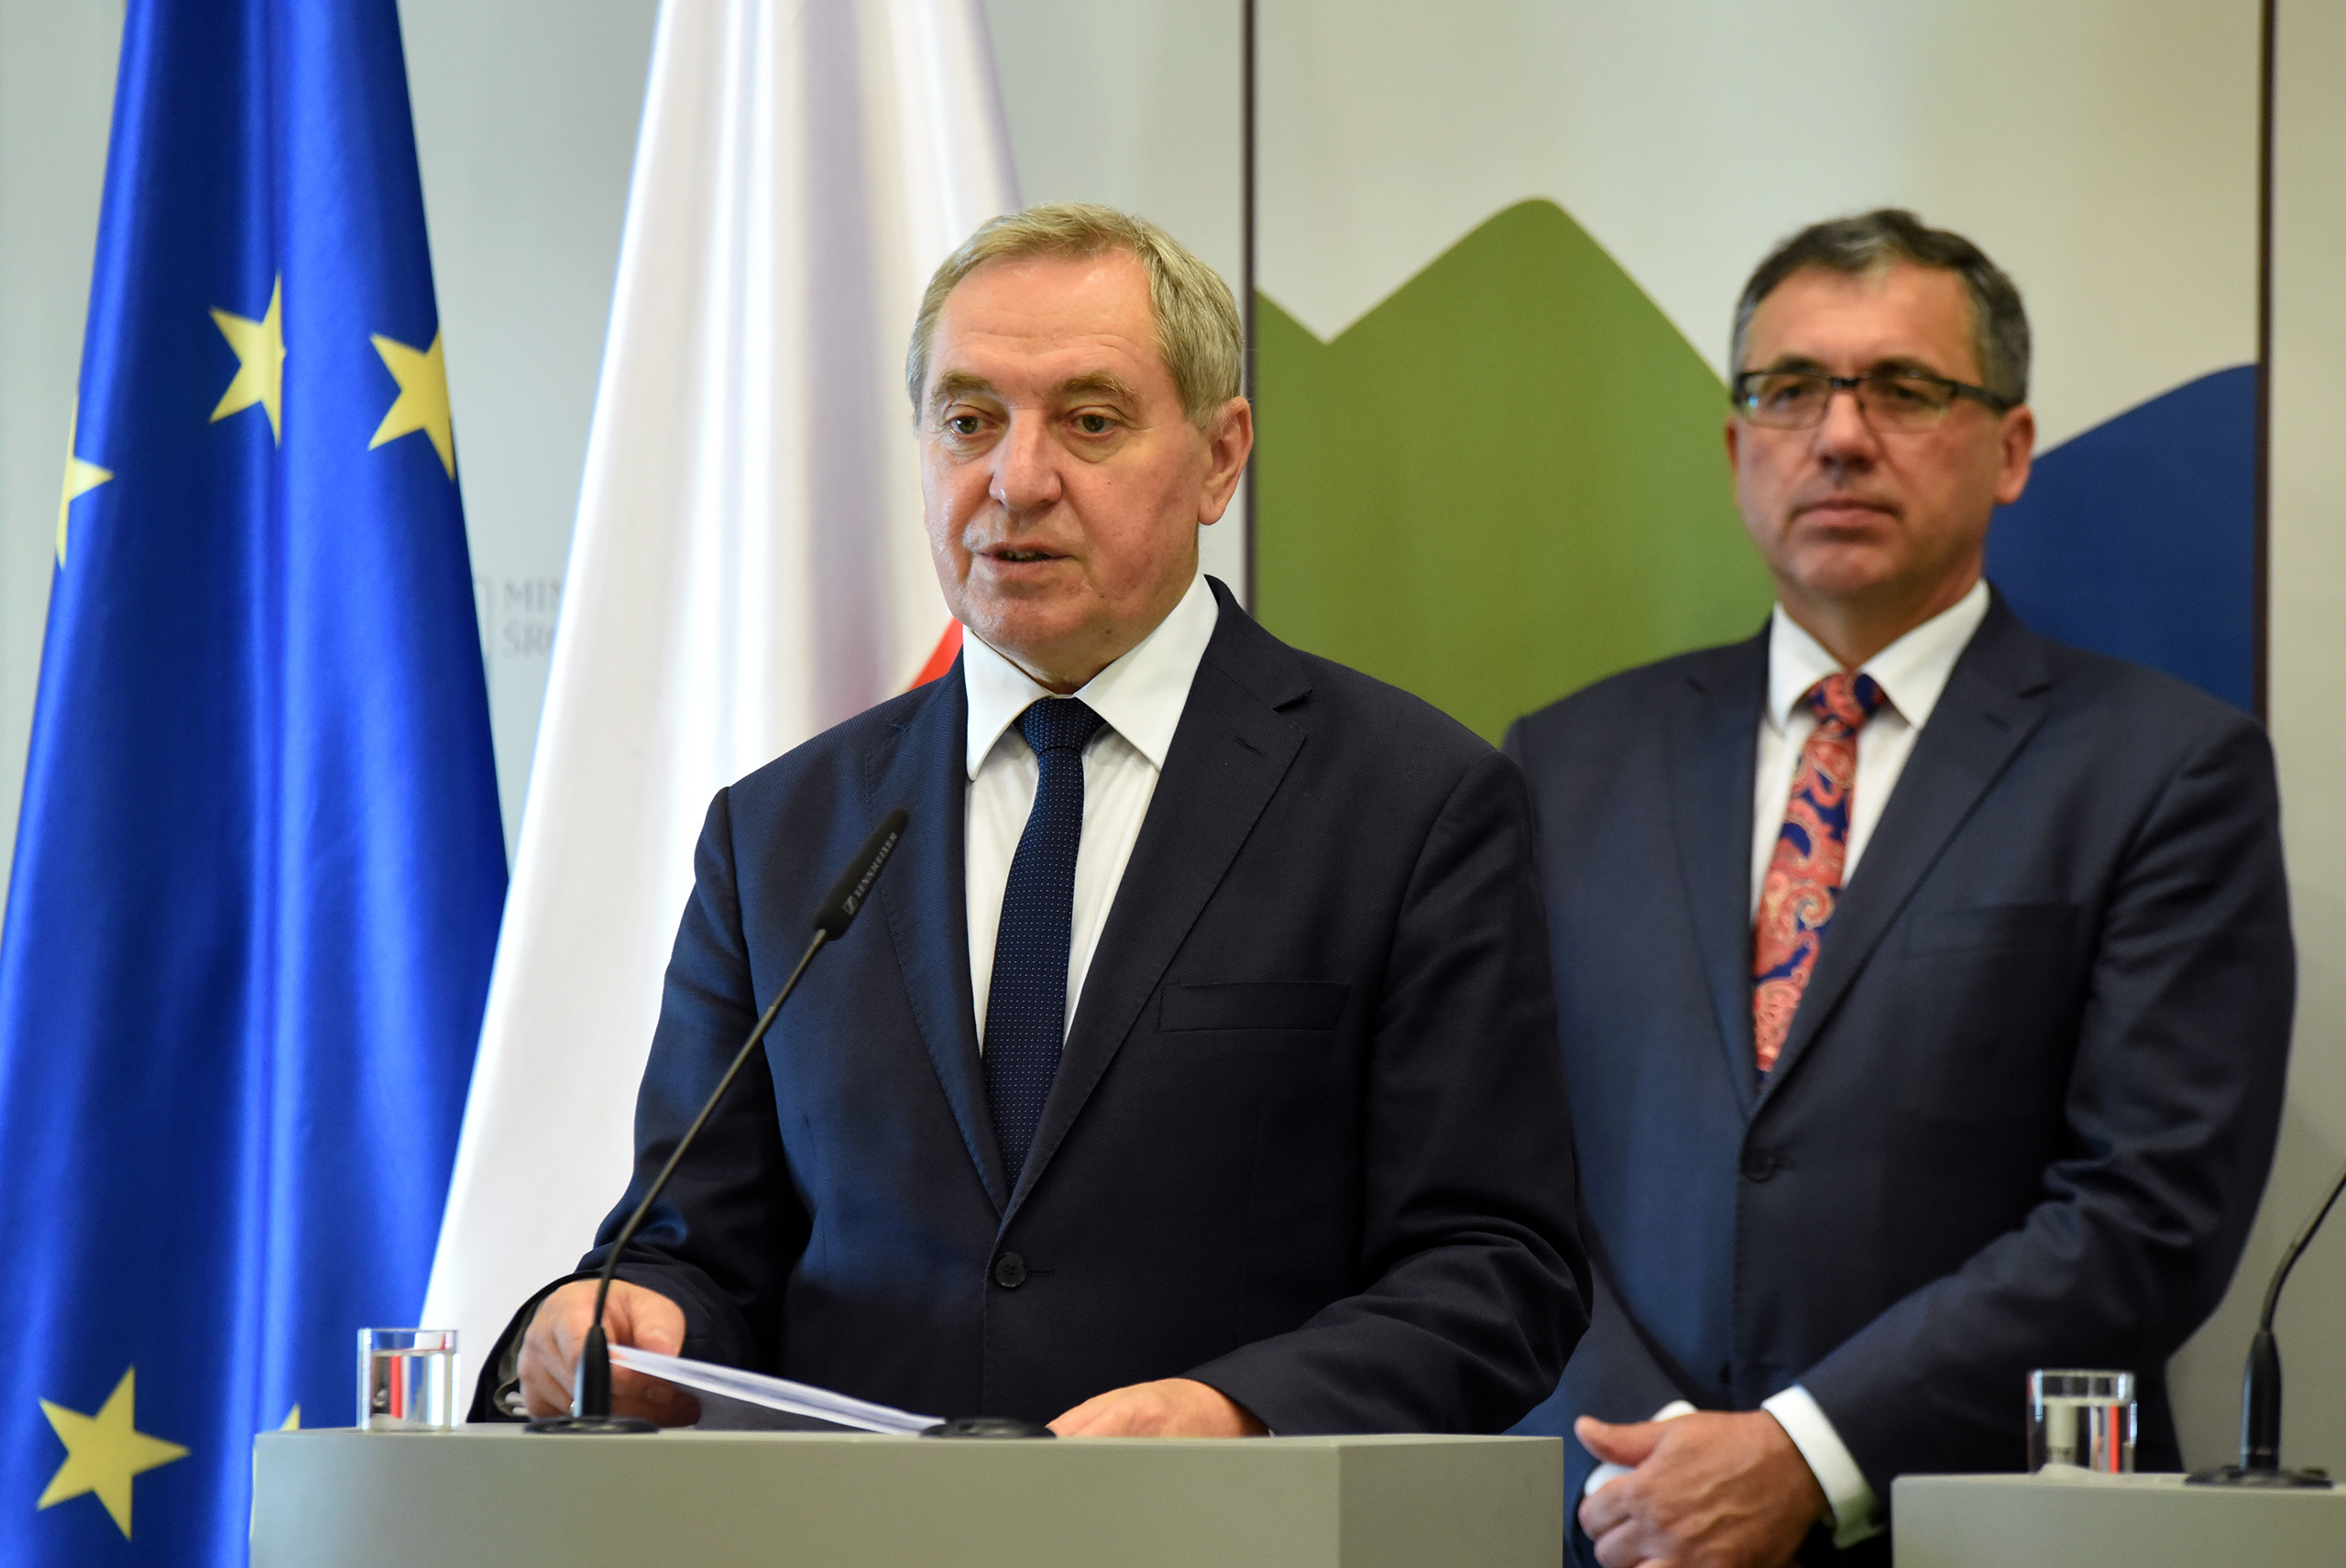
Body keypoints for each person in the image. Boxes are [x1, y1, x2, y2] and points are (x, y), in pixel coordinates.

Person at [477, 203, 1589, 1438]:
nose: (1016, 480)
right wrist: (638, 1321)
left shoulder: (1414, 805)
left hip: (1227, 1527)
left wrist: (1233, 1413)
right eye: (968, 422)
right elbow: (698, 1252)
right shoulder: (781, 833)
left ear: (1220, 457)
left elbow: (1498, 1272)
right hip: (858, 1528)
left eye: (1091, 421)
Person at [1505, 210, 2293, 1565]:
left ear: (2012, 448)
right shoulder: (1566, 763)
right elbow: (1494, 1179)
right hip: (1618, 1524)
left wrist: (1806, 1456)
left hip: (1986, 1530)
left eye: (1906, 389)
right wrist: (1652, 1462)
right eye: (1790, 389)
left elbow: (2148, 1210)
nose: (1841, 436)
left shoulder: (2166, 771)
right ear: (1735, 445)